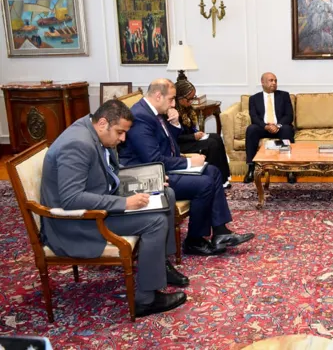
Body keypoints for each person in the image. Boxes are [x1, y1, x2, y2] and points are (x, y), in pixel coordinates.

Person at [40, 100, 188, 317]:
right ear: (102, 123)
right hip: (79, 222)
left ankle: (159, 265)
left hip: (98, 201)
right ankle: (146, 300)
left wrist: (150, 178)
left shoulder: (93, 130)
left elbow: (109, 172)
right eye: (120, 132)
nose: (123, 139)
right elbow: (71, 199)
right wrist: (124, 203)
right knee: (155, 222)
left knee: (167, 194)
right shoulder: (77, 144)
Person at [119, 79, 254, 256]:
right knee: (204, 184)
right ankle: (194, 241)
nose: (173, 104)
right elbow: (154, 160)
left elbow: (170, 143)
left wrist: (175, 124)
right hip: (149, 176)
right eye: (171, 99)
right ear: (158, 96)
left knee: (213, 171)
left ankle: (221, 232)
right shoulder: (140, 117)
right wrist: (189, 163)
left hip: (164, 167)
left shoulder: (155, 112)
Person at [174, 79, 232, 188]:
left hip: (189, 139)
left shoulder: (187, 108)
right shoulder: (173, 112)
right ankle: (214, 180)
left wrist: (197, 133)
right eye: (189, 99)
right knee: (211, 144)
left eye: (193, 97)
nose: (191, 101)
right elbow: (175, 137)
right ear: (180, 98)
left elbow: (190, 128)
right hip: (181, 144)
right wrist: (193, 136)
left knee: (216, 137)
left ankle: (224, 178)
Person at [243, 72, 296, 184]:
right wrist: (266, 126)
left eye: (275, 81)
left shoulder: (284, 95)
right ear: (262, 82)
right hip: (263, 127)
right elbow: (254, 117)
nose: (274, 83)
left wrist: (277, 125)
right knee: (251, 129)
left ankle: (289, 169)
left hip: (279, 127)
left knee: (287, 129)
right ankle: (251, 168)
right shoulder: (254, 98)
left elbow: (289, 116)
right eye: (271, 80)